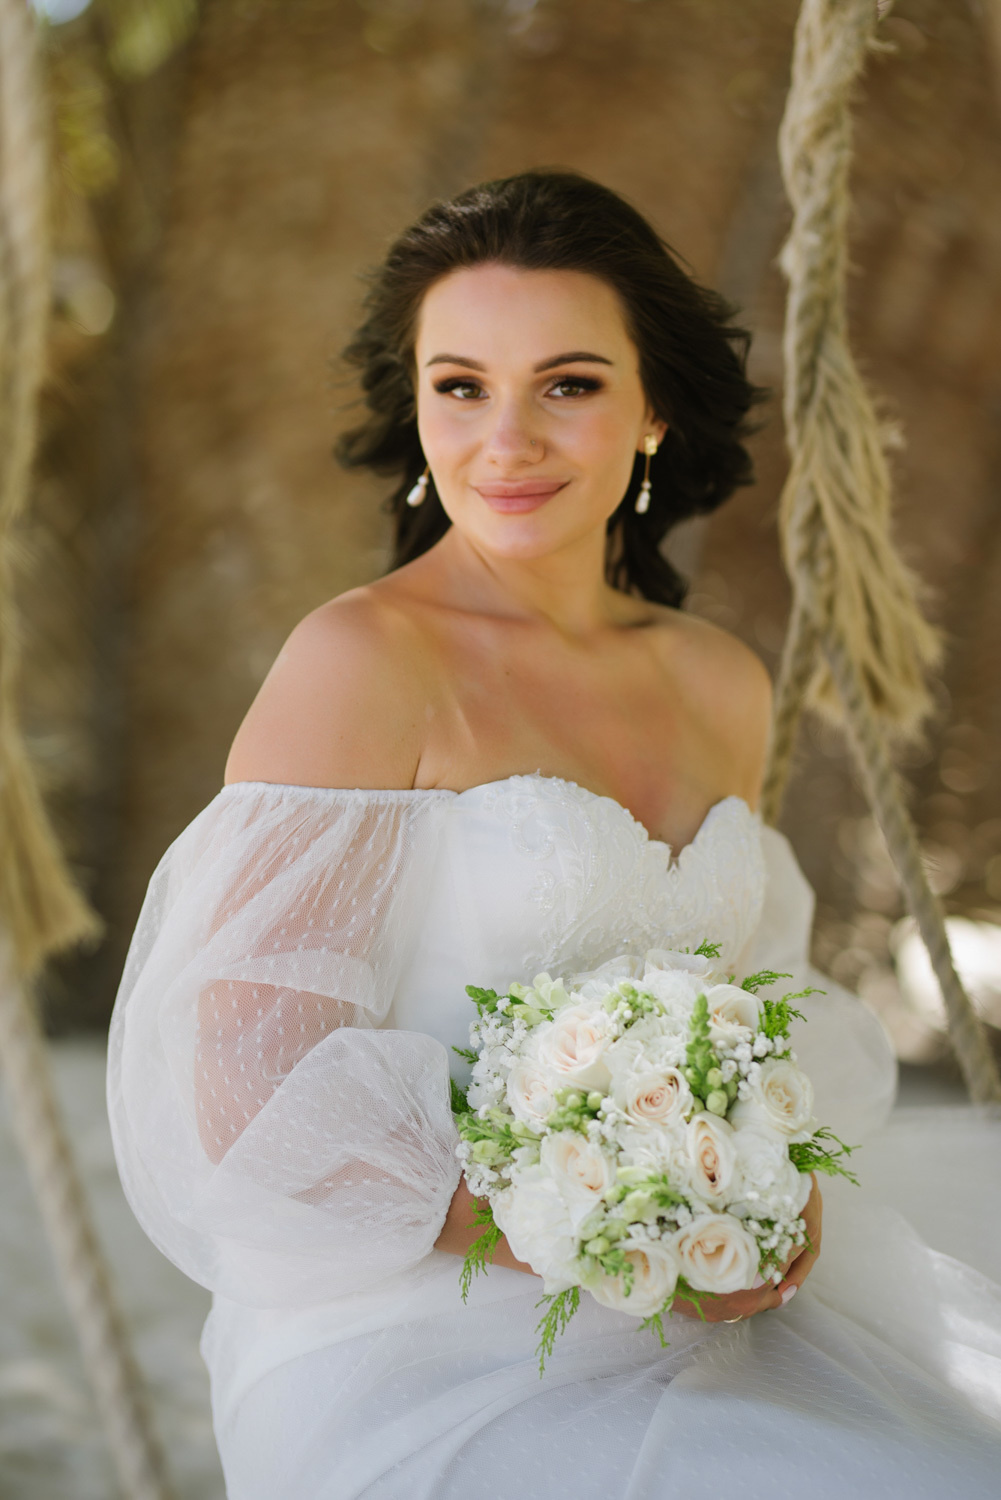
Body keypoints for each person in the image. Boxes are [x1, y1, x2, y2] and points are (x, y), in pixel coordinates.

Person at [107, 171, 1001, 1499]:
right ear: (413, 409)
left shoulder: (718, 679)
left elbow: (755, 1002)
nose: (505, 439)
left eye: (566, 384)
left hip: (713, 1301)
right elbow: (246, 1089)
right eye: (459, 385)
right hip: (430, 1332)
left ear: (651, 411)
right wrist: (586, 1219)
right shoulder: (363, 660)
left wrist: (762, 1197)